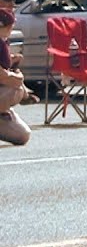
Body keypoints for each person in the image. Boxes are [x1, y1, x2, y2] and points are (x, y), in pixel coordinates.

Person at [0, 8, 33, 146]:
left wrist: (12, 61)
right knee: (16, 89)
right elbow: (4, 76)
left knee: (22, 135)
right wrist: (18, 77)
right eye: (10, 27)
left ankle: (3, 113)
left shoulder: (3, 42)